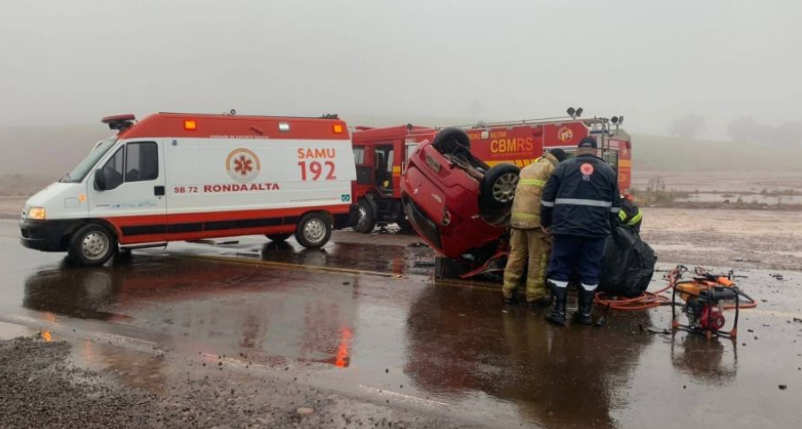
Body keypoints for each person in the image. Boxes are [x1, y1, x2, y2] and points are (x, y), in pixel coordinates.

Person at [540, 137, 620, 325]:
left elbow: (547, 199)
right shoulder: (609, 171)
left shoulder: (563, 167)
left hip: (566, 229)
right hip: (595, 231)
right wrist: (610, 226)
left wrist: (546, 222)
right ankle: (584, 314)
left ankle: (558, 313)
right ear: (596, 151)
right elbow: (615, 206)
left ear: (577, 150)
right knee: (590, 270)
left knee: (560, 267)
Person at [503, 149, 567, 306]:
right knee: (537, 259)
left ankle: (508, 292)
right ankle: (534, 296)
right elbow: (554, 197)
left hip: (517, 221)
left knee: (516, 256)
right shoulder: (552, 169)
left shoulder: (527, 168)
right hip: (536, 222)